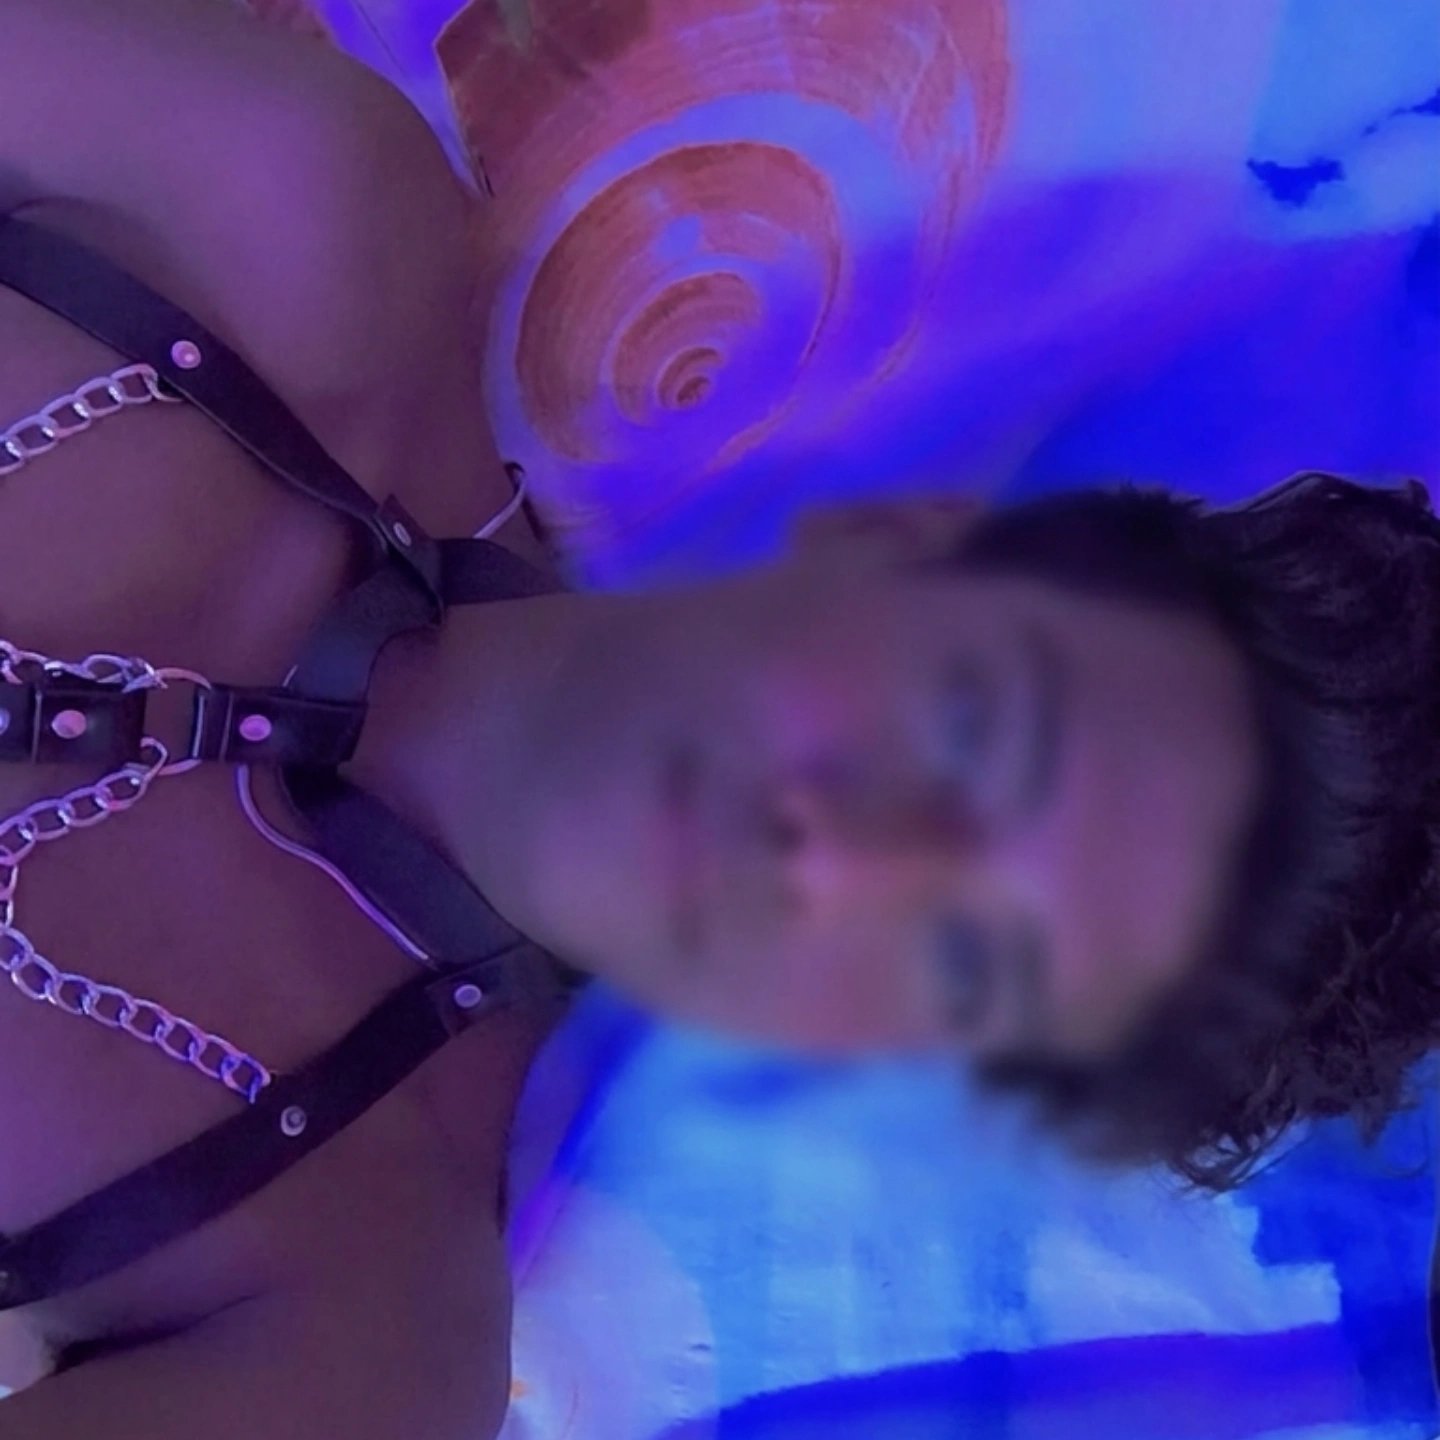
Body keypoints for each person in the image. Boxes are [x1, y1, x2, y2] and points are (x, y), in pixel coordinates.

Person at [0, 2, 1431, 1435]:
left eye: (962, 956)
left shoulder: (349, 1318)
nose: (841, 849)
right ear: (900, 545)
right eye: (967, 731)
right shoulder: (292, 215)